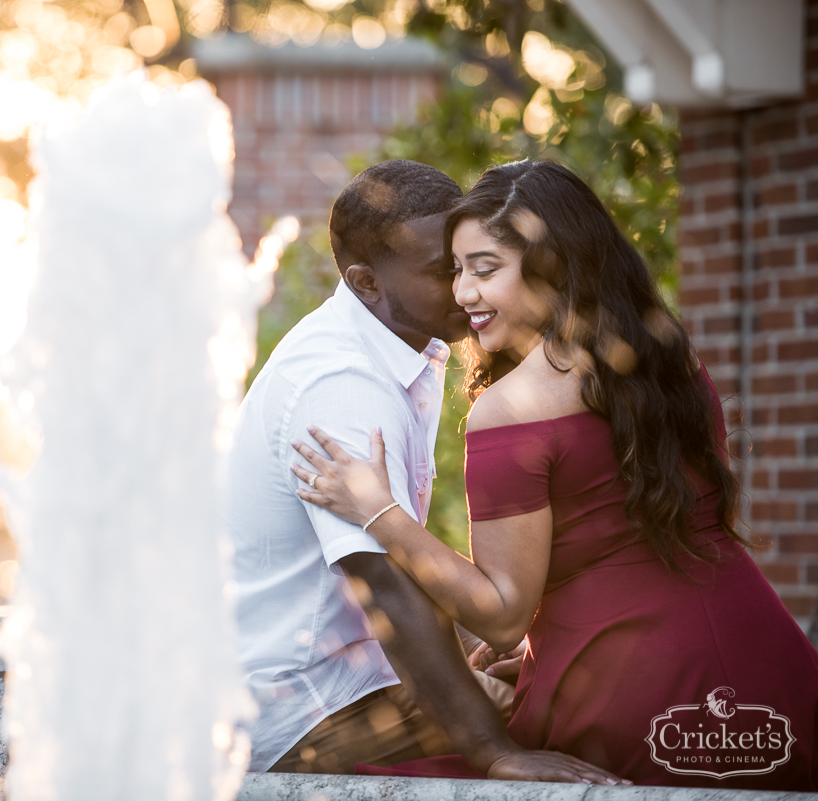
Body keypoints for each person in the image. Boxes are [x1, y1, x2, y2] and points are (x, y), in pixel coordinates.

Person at [290, 159, 818, 789]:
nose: (463, 294)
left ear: (553, 266)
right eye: (456, 270)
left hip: (630, 694)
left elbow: (501, 612)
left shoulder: (513, 411)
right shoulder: (670, 361)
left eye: (486, 270)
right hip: (769, 664)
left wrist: (380, 512)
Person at [226, 159, 626, 784]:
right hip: (299, 713)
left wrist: (475, 648)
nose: (466, 289)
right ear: (366, 281)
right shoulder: (343, 386)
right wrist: (496, 751)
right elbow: (386, 582)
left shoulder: (404, 344)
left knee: (569, 687)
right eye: (445, 272)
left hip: (351, 678)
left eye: (472, 265)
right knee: (580, 727)